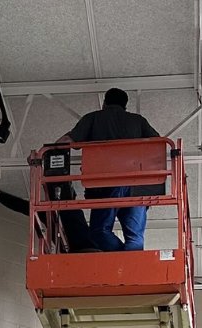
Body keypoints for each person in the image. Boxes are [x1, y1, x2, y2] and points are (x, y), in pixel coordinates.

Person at [56, 87, 160, 252]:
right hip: (137, 185)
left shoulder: (93, 118)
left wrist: (43, 155)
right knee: (135, 237)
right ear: (125, 106)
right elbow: (158, 144)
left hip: (105, 184)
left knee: (99, 231)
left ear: (104, 103)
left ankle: (123, 261)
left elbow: (67, 141)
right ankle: (131, 263)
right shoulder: (138, 120)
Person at [0, 182, 95, 253]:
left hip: (73, 241)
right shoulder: (70, 221)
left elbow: (25, 208)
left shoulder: (60, 221)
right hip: (74, 240)